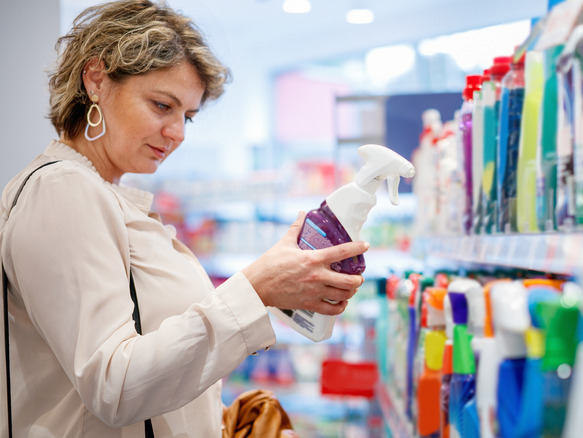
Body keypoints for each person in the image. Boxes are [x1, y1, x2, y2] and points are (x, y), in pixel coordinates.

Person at [0, 0, 368, 436]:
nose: (178, 133)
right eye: (161, 105)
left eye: (187, 116)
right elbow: (114, 387)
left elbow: (154, 369)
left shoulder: (101, 193)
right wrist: (257, 289)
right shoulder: (63, 191)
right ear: (96, 79)